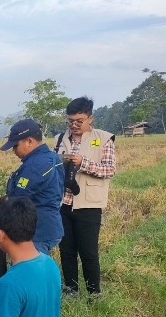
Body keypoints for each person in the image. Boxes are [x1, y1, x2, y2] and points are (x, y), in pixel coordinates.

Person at [55, 97, 116, 296]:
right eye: (70, 121)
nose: (74, 125)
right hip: (63, 204)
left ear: (91, 118)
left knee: (88, 252)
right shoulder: (59, 139)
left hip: (89, 205)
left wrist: (84, 163)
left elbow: (109, 170)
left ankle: (94, 293)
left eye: (79, 121)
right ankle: (71, 290)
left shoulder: (104, 139)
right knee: (66, 251)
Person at [0, 118, 65, 255]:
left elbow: (17, 199)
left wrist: (1, 221)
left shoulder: (36, 165)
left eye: (15, 146)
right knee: (39, 268)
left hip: (38, 232)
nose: (14, 151)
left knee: (31, 271)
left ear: (29, 141)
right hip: (48, 226)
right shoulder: (50, 157)